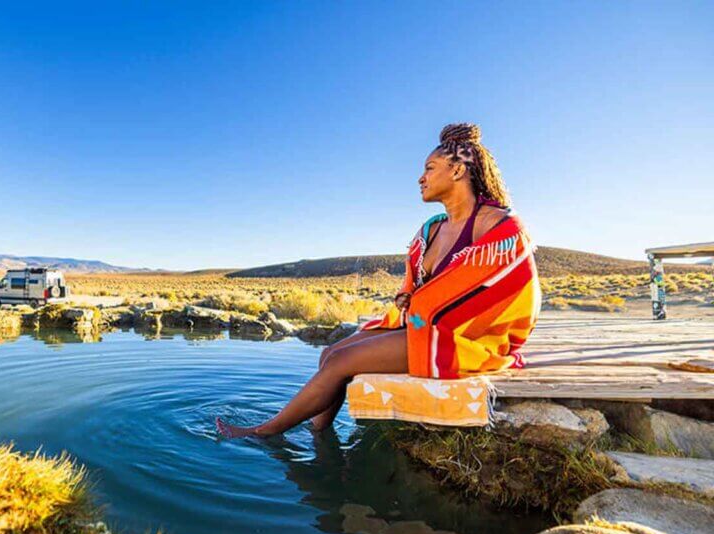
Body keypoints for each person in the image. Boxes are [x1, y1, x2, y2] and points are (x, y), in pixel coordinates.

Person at [216, 123, 541, 438]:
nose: (421, 177)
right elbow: (414, 290)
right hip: (420, 324)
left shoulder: (502, 229)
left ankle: (264, 432)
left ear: (457, 171)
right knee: (329, 354)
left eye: (430, 168)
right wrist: (408, 312)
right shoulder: (432, 229)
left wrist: (425, 314)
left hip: (465, 338)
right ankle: (318, 434)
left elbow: (513, 295)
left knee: (342, 361)